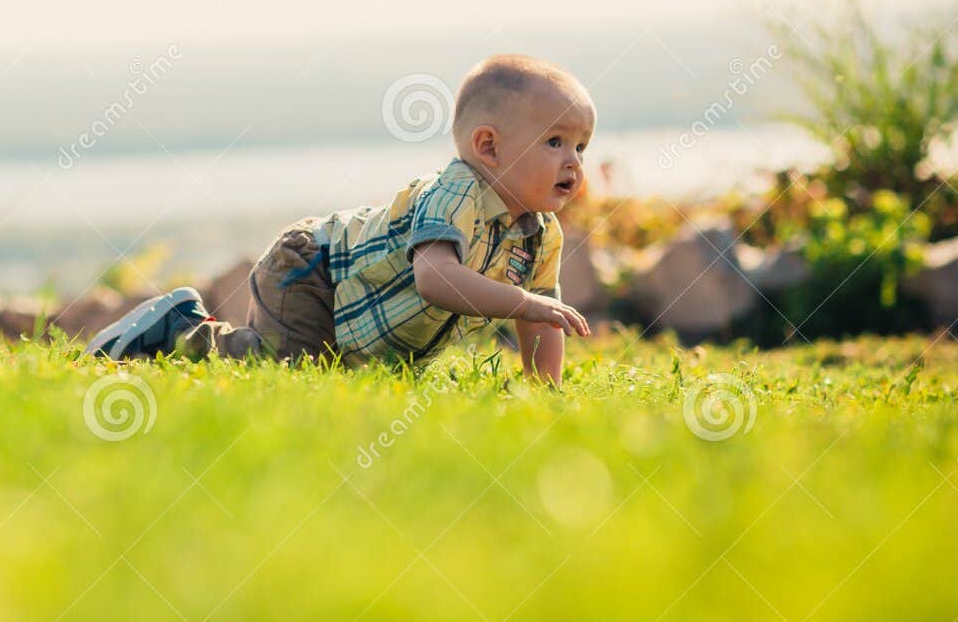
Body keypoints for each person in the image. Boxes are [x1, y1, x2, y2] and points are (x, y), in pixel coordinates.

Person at [88, 54, 594, 385]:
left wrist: (544, 389)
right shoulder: (455, 191)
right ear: (489, 146)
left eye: (580, 146)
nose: (573, 161)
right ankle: (181, 327)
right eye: (555, 142)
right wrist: (522, 301)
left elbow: (541, 318)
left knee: (331, 375)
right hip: (314, 269)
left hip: (357, 305)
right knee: (288, 369)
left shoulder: (539, 234)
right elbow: (435, 277)